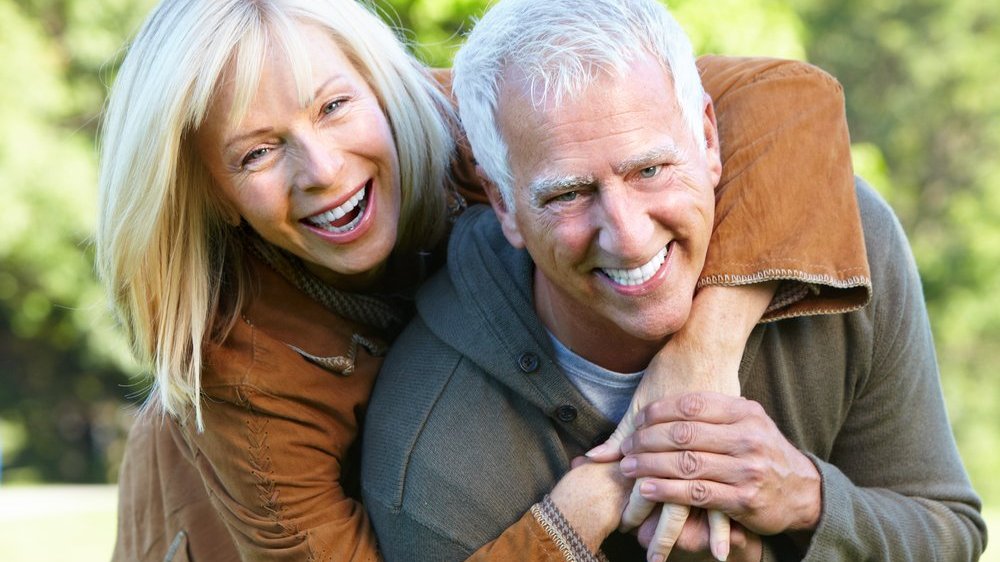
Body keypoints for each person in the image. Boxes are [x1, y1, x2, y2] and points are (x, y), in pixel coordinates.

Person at [98, 0, 873, 561]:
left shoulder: (478, 122)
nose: (323, 172)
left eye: (334, 106)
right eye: (256, 153)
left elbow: (790, 98)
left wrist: (700, 354)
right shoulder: (241, 366)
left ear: (380, 87)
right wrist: (596, 498)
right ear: (213, 196)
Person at [360, 0, 988, 560]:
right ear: (503, 205)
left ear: (709, 138)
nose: (629, 235)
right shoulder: (434, 457)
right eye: (570, 194)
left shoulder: (847, 238)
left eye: (652, 169)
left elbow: (950, 532)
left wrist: (806, 498)